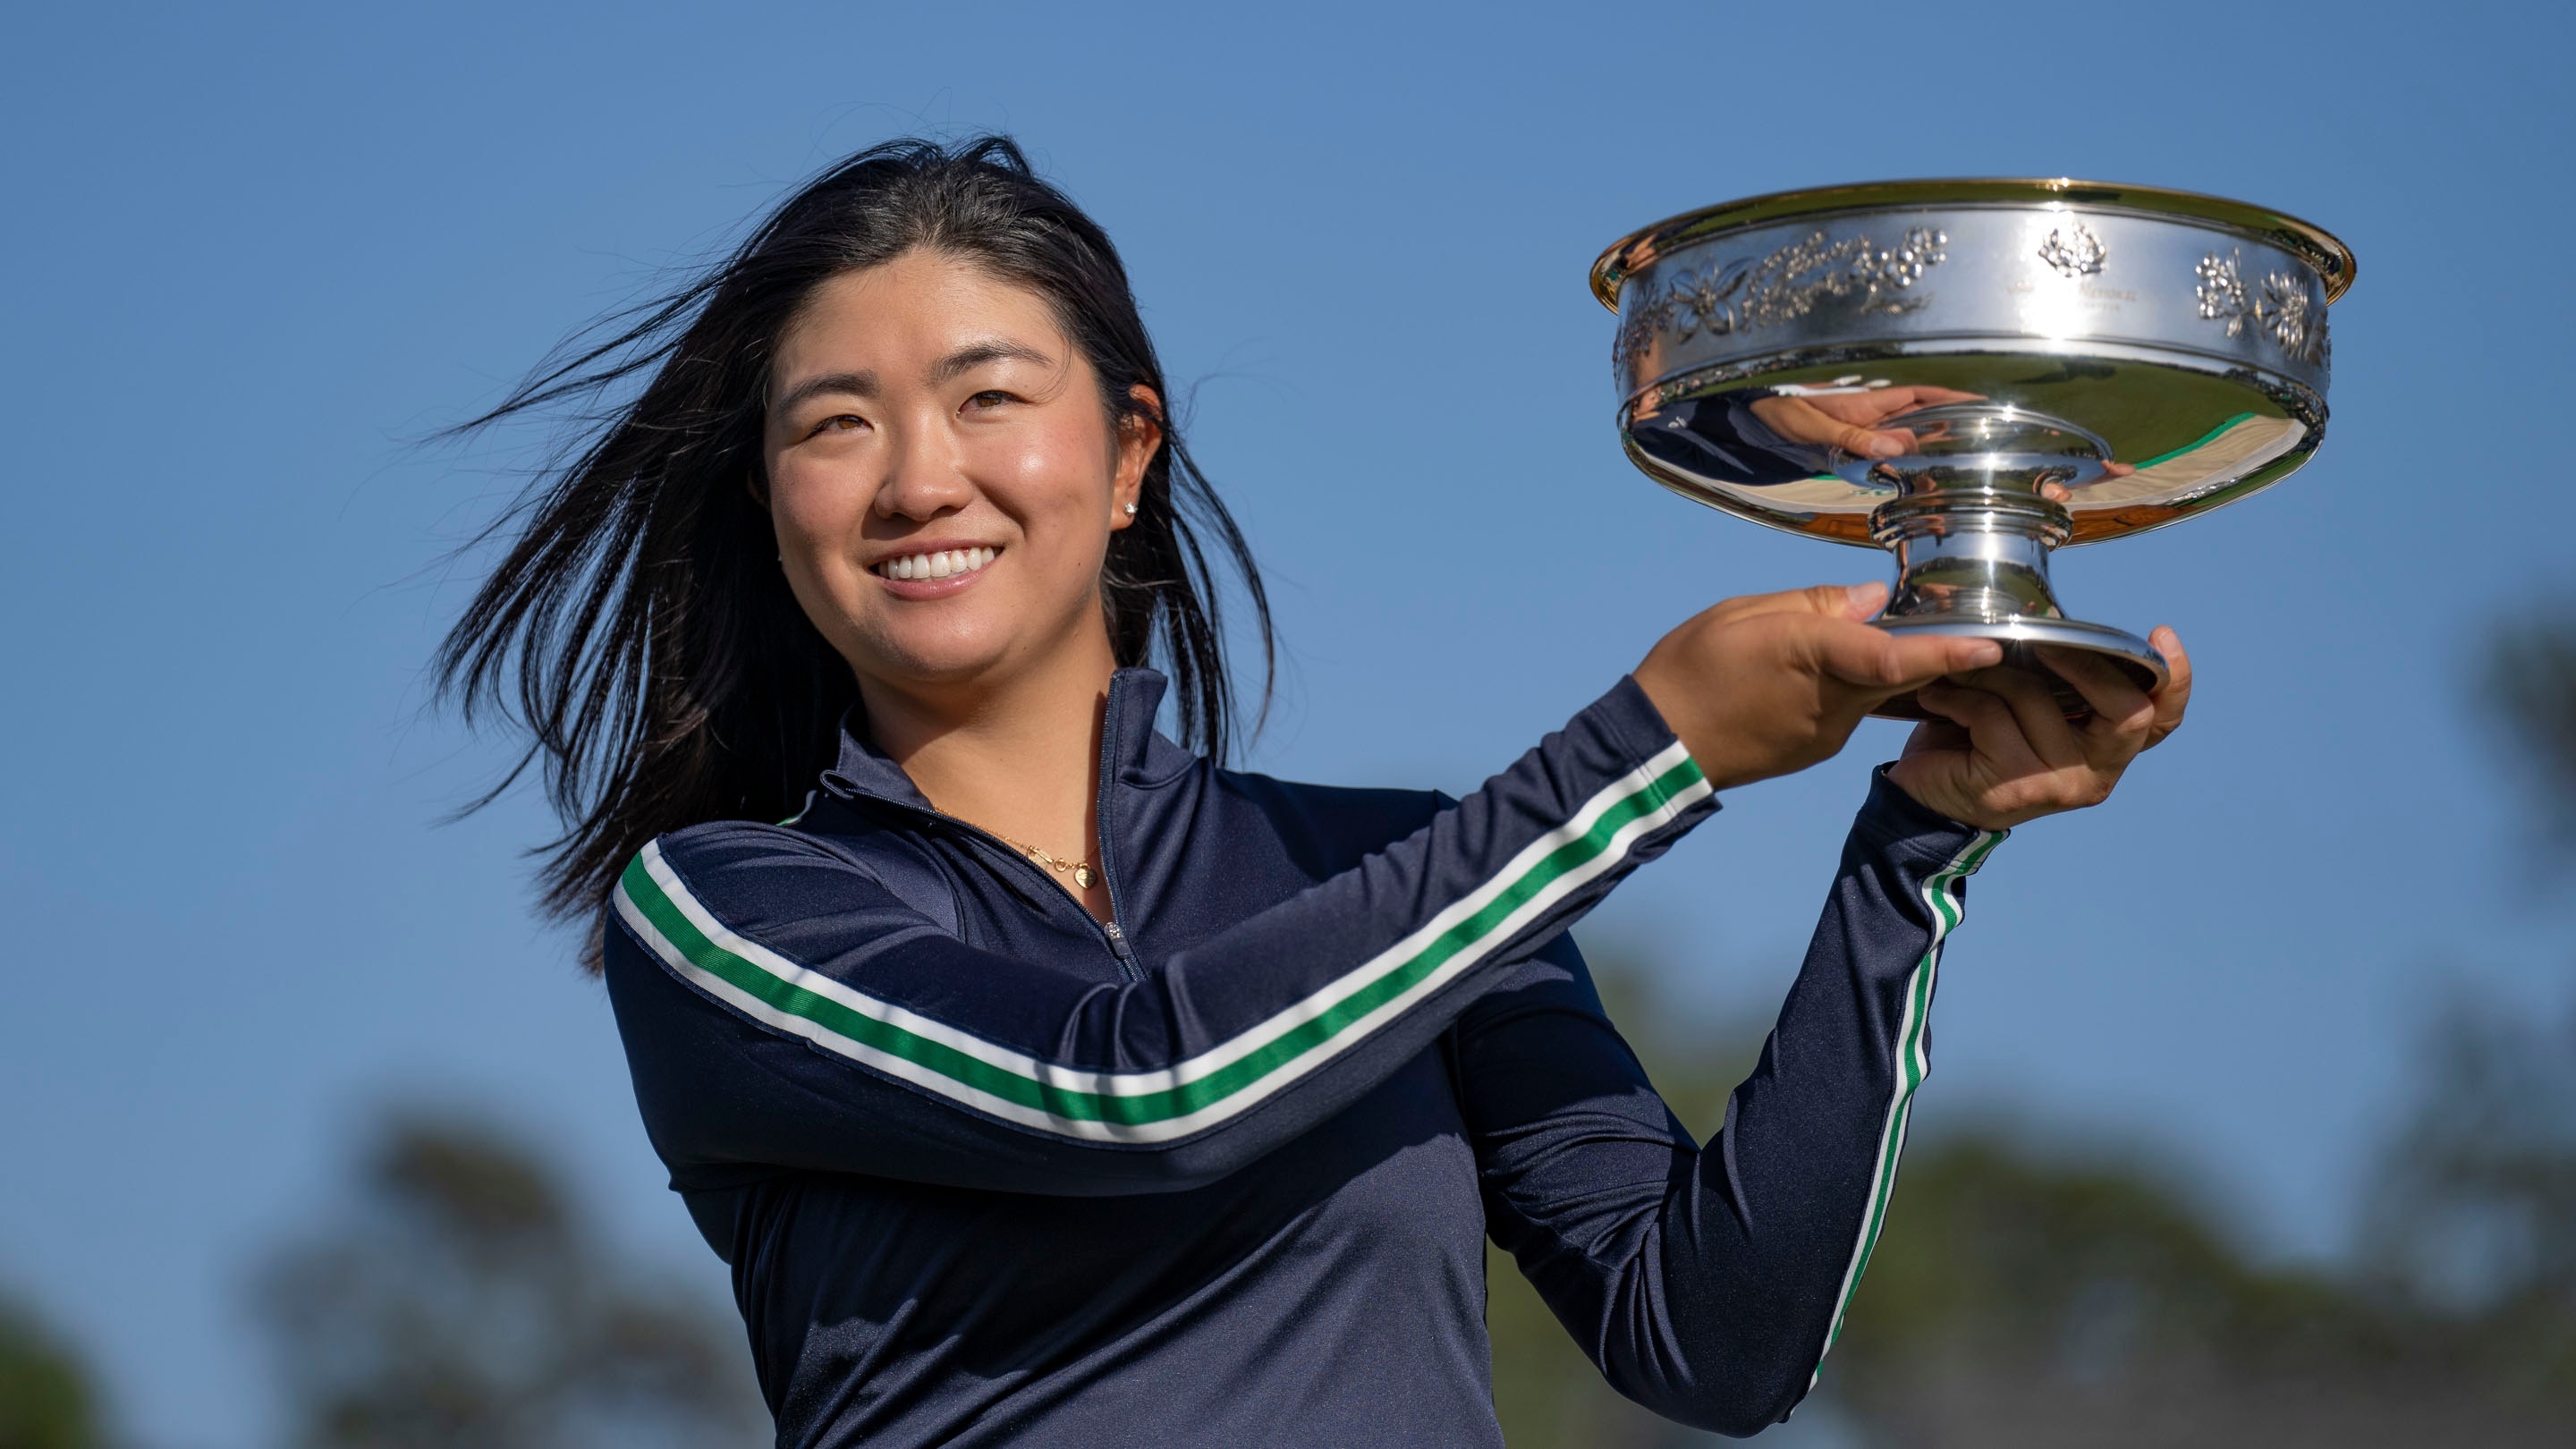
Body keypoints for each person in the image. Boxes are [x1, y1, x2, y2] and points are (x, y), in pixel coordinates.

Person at [439, 137, 2189, 1448]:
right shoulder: (733, 915)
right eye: (834, 424)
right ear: (769, 497)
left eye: (989, 396)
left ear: (1126, 456)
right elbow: (1137, 1091)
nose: (917, 479)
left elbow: (1709, 1337)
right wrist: (1656, 746)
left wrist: (1917, 848)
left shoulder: (1388, 877)